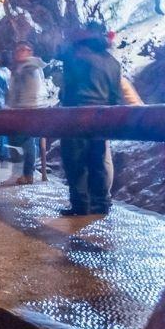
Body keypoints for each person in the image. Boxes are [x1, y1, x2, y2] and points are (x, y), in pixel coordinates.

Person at [59, 22, 123, 216]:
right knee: (99, 160)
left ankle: (81, 205)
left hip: (76, 116)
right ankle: (101, 204)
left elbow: (69, 87)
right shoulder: (113, 62)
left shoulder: (76, 55)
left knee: (75, 161)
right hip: (102, 116)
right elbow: (116, 96)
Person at [7, 42, 48, 184]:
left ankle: (28, 174)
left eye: (23, 50)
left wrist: (19, 107)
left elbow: (31, 91)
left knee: (28, 142)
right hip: (25, 109)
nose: (19, 52)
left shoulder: (29, 67)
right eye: (18, 50)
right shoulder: (24, 67)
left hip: (28, 110)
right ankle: (26, 173)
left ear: (29, 51)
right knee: (27, 141)